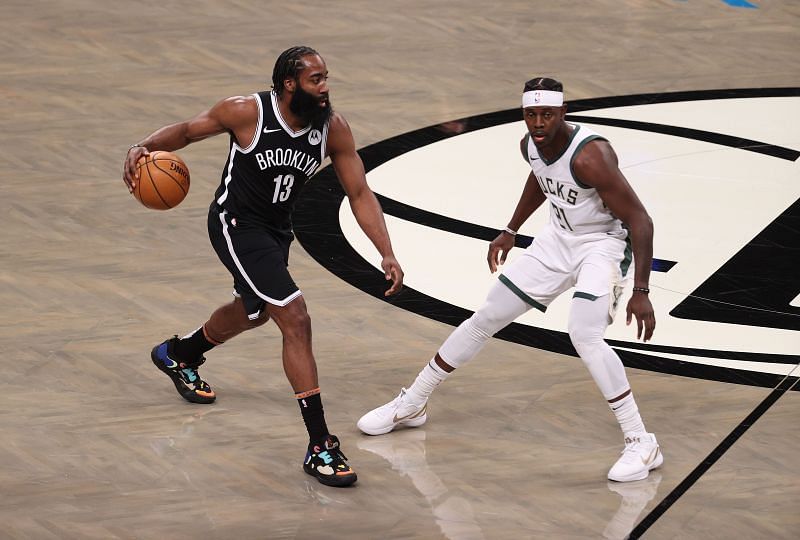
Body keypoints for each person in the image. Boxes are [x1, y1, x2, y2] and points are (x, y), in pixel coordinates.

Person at [123, 46, 404, 488]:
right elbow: (186, 132)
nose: (326, 87)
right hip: (236, 224)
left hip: (276, 231)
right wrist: (144, 147)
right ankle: (319, 445)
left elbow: (360, 193)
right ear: (290, 84)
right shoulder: (246, 112)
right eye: (316, 79)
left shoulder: (332, 129)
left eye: (327, 77)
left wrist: (385, 251)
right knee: (294, 317)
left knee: (255, 311)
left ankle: (179, 354)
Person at [358, 77, 662, 483]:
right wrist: (511, 228)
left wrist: (641, 290)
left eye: (546, 115)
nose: (538, 122)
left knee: (584, 335)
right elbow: (541, 178)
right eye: (531, 114)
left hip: (602, 246)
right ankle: (413, 402)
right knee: (486, 316)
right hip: (558, 241)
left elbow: (640, 219)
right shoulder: (530, 145)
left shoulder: (592, 156)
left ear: (562, 113)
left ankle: (642, 442)